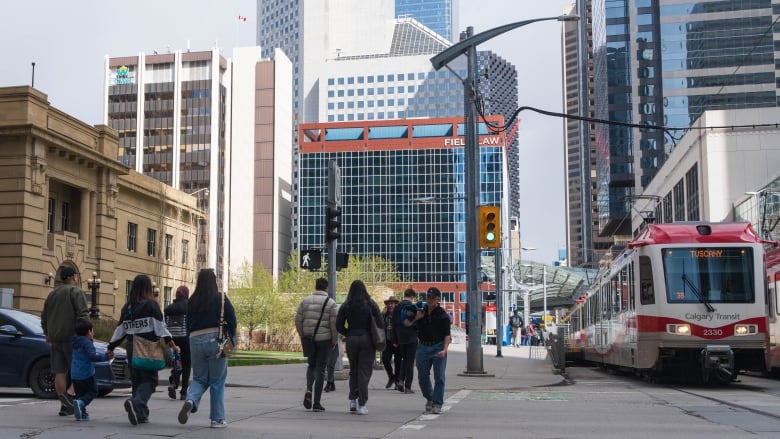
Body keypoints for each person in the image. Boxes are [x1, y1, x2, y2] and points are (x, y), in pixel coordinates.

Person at [107, 274, 178, 425]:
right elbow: (160, 328)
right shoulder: (151, 305)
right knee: (151, 380)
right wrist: (171, 343)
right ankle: (136, 402)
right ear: (148, 288)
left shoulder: (128, 307)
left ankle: (140, 414)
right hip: (147, 346)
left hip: (132, 346)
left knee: (137, 380)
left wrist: (111, 347)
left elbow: (120, 330)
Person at [178, 268, 237, 428]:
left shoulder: (192, 300)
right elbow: (232, 320)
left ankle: (191, 400)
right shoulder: (221, 299)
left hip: (194, 340)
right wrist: (230, 340)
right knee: (217, 381)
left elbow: (187, 324)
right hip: (215, 340)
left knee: (199, 378)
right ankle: (217, 419)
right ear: (214, 281)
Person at [41, 266, 89, 416]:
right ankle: (71, 396)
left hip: (55, 338)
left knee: (59, 372)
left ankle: (64, 406)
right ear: (74, 277)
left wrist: (47, 333)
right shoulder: (76, 291)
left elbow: (44, 317)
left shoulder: (52, 294)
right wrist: (86, 333)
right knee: (80, 370)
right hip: (73, 337)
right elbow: (83, 314)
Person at [336, 280, 383, 415]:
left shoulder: (346, 305)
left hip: (351, 339)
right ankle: (362, 404)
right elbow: (380, 321)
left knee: (354, 371)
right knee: (364, 372)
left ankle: (352, 400)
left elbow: (338, 325)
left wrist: (349, 333)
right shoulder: (370, 304)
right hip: (367, 339)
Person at [295, 277, 338, 412]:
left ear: (316, 286)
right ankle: (317, 403)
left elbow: (297, 319)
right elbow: (334, 324)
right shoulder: (331, 303)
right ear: (326, 288)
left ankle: (308, 390)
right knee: (320, 369)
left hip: (309, 339)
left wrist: (303, 335)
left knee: (311, 365)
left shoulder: (305, 301)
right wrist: (334, 340)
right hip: (325, 341)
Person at [406, 287, 451, 415]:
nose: (429, 300)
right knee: (422, 376)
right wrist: (416, 318)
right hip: (423, 347)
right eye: (428, 297)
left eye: (432, 298)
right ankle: (430, 397)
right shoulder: (421, 312)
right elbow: (406, 324)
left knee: (439, 377)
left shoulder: (442, 315)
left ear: (438, 299)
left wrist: (444, 350)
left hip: (438, 347)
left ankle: (437, 403)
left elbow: (447, 335)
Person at [70, 320, 113, 421]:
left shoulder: (74, 341)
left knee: (80, 394)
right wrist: (106, 357)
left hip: (74, 374)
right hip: (86, 374)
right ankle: (80, 404)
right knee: (93, 391)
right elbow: (92, 356)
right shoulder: (86, 342)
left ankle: (82, 413)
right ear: (89, 332)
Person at [165, 285, 191, 400]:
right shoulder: (189, 306)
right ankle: (184, 391)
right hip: (185, 338)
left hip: (172, 340)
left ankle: (174, 382)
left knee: (177, 363)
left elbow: (164, 325)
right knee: (186, 365)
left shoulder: (169, 309)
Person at [392, 288, 419, 393]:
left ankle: (400, 381)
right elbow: (416, 322)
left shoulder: (397, 307)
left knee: (404, 359)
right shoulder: (413, 307)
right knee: (410, 361)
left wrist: (395, 339)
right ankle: (408, 386)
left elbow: (394, 324)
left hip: (400, 338)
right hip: (411, 337)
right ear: (412, 297)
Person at [381, 296, 401, 390]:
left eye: (392, 303)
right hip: (387, 341)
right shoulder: (384, 314)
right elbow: (379, 325)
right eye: (389, 303)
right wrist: (382, 315)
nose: (390, 305)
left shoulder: (399, 314)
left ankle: (397, 381)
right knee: (385, 359)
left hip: (397, 342)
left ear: (396, 304)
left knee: (398, 363)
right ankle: (391, 377)